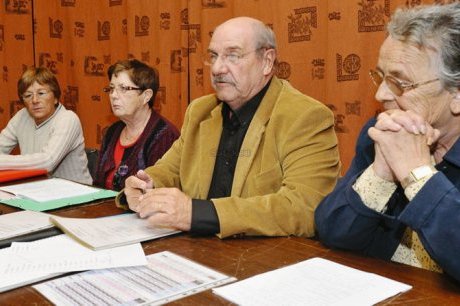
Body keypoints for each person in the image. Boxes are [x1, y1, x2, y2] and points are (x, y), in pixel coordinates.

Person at [119, 16, 340, 238]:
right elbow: (172, 169)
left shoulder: (305, 116)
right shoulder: (200, 111)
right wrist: (147, 184)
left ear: (267, 62)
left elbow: (304, 208)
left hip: (266, 260)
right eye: (213, 56)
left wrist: (196, 213)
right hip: (196, 252)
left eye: (232, 55)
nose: (217, 68)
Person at [315, 3, 460, 282]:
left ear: (455, 95)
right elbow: (332, 230)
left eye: (399, 83)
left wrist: (417, 176)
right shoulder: (383, 131)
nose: (381, 94)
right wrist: (381, 172)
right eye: (380, 77)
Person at [94, 59, 179, 191]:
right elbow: (98, 185)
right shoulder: (112, 132)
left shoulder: (164, 135)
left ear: (146, 96)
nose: (113, 95)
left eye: (124, 88)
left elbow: (159, 192)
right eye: (111, 89)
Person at [0, 67, 92, 185]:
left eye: (41, 93)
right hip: (37, 191)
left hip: (77, 196)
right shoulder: (22, 116)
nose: (35, 100)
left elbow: (47, 162)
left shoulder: (68, 119)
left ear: (55, 97)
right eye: (28, 95)